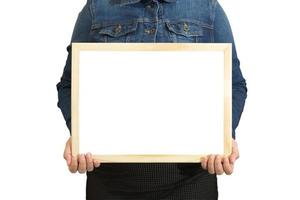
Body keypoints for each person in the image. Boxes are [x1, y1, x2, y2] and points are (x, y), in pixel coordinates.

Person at [56, 0, 247, 199]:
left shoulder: (206, 7)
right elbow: (69, 84)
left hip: (191, 182)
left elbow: (235, 84)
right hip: (111, 182)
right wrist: (80, 135)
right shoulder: (98, 7)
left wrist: (223, 136)